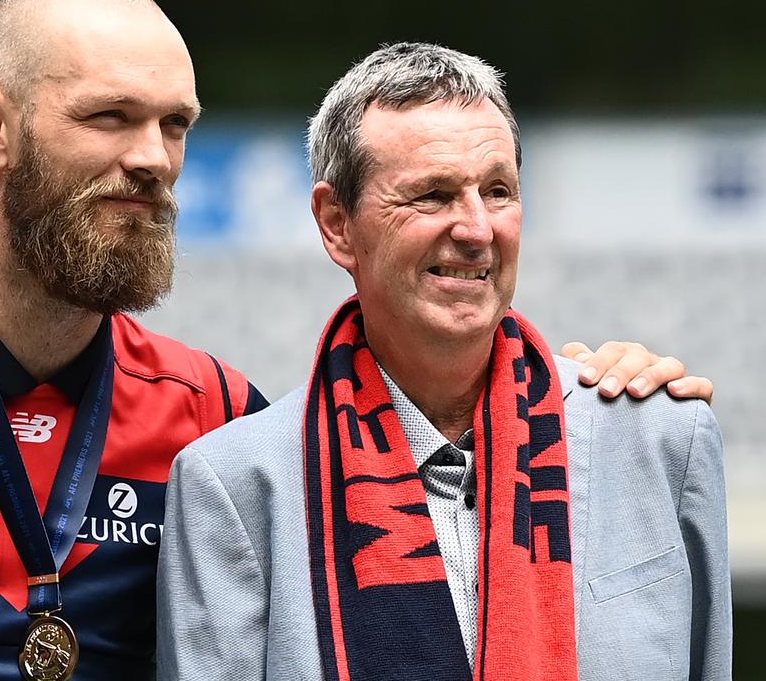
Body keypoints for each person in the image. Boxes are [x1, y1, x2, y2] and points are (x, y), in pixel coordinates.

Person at [0, 0, 710, 681]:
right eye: (109, 117)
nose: (154, 157)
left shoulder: (213, 422)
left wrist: (577, 388)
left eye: (174, 123)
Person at [158, 43, 731, 681]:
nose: (477, 228)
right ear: (338, 224)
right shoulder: (235, 485)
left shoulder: (660, 439)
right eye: (432, 196)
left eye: (498, 191)